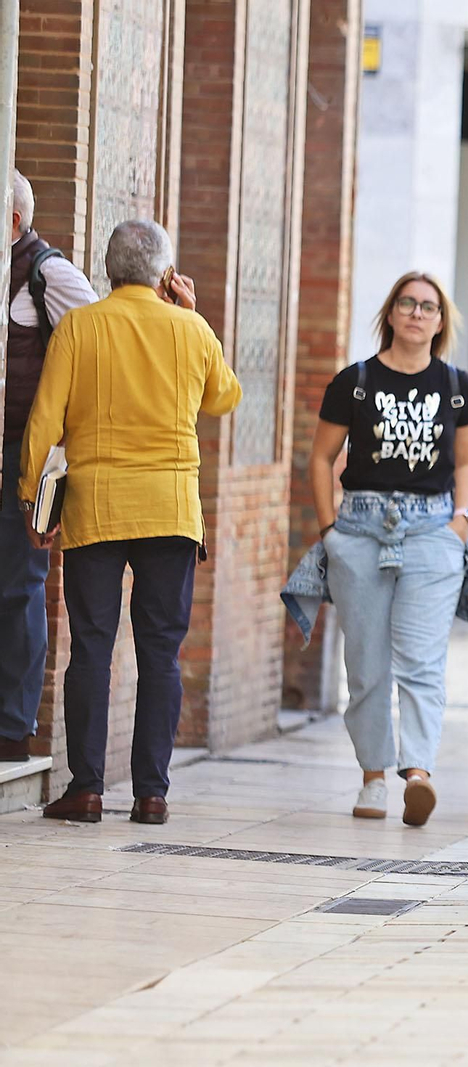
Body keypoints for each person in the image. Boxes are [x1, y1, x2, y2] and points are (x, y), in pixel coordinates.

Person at [20, 220, 241, 824]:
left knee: (90, 646)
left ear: (108, 268)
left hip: (97, 506)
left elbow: (44, 420)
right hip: (171, 510)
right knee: (162, 652)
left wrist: (30, 500)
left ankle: (86, 788)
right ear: (166, 274)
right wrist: (196, 316)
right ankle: (152, 794)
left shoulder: (80, 327)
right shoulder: (190, 330)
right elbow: (223, 397)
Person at [307, 272, 468, 828]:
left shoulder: (456, 385)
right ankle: (373, 777)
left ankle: (418, 772)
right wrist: (329, 528)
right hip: (359, 529)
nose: (416, 313)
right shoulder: (354, 382)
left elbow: (466, 464)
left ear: (439, 320)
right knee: (366, 661)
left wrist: (462, 521)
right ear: (391, 312)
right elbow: (319, 458)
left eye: (428, 306)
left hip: (433, 532)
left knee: (423, 659)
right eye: (406, 303)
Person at [2, 170, 98, 763]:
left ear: (13, 221)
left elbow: (96, 352)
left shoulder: (50, 274)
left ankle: (12, 730)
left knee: (18, 589)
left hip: (22, 459)